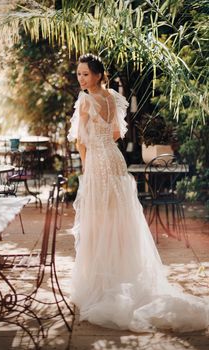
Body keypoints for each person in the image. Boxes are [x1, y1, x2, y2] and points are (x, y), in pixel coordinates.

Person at [67, 53, 209, 332]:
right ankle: (123, 276)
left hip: (98, 163)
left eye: (85, 74)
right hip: (115, 160)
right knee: (120, 221)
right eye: (79, 74)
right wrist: (102, 143)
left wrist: (88, 167)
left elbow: (81, 141)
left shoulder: (85, 100)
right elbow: (117, 133)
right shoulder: (113, 98)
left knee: (99, 222)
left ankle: (102, 283)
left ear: (97, 74)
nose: (81, 78)